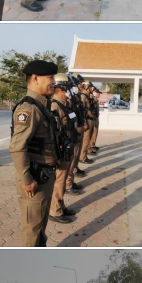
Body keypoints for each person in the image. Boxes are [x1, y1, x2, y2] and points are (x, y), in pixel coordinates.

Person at [8, 60, 59, 246]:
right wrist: (27, 179)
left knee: (40, 228)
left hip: (44, 175)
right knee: (32, 232)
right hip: (34, 179)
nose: (54, 82)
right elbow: (17, 147)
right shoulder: (29, 109)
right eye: (50, 77)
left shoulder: (41, 105)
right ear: (35, 78)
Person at [48, 75, 78, 224]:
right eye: (68, 88)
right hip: (60, 150)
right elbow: (54, 134)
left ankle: (61, 205)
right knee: (59, 180)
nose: (71, 91)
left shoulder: (64, 104)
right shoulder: (55, 106)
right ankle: (55, 210)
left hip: (67, 146)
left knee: (63, 179)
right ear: (60, 89)